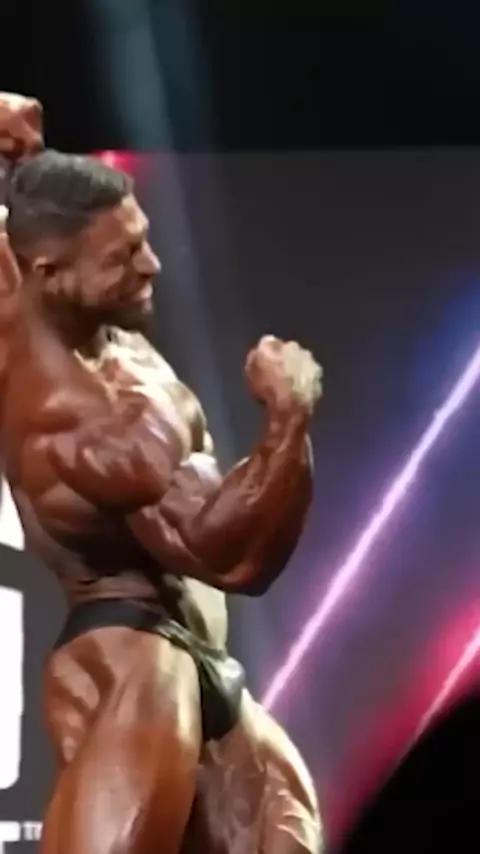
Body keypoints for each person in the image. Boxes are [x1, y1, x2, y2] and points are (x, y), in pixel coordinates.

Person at [0, 93, 323, 854]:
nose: (151, 266)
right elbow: (231, 557)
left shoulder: (69, 306)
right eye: (123, 259)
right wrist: (288, 420)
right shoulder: (81, 421)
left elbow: (30, 213)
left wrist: (18, 151)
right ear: (50, 273)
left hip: (202, 660)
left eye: (141, 241)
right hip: (133, 661)